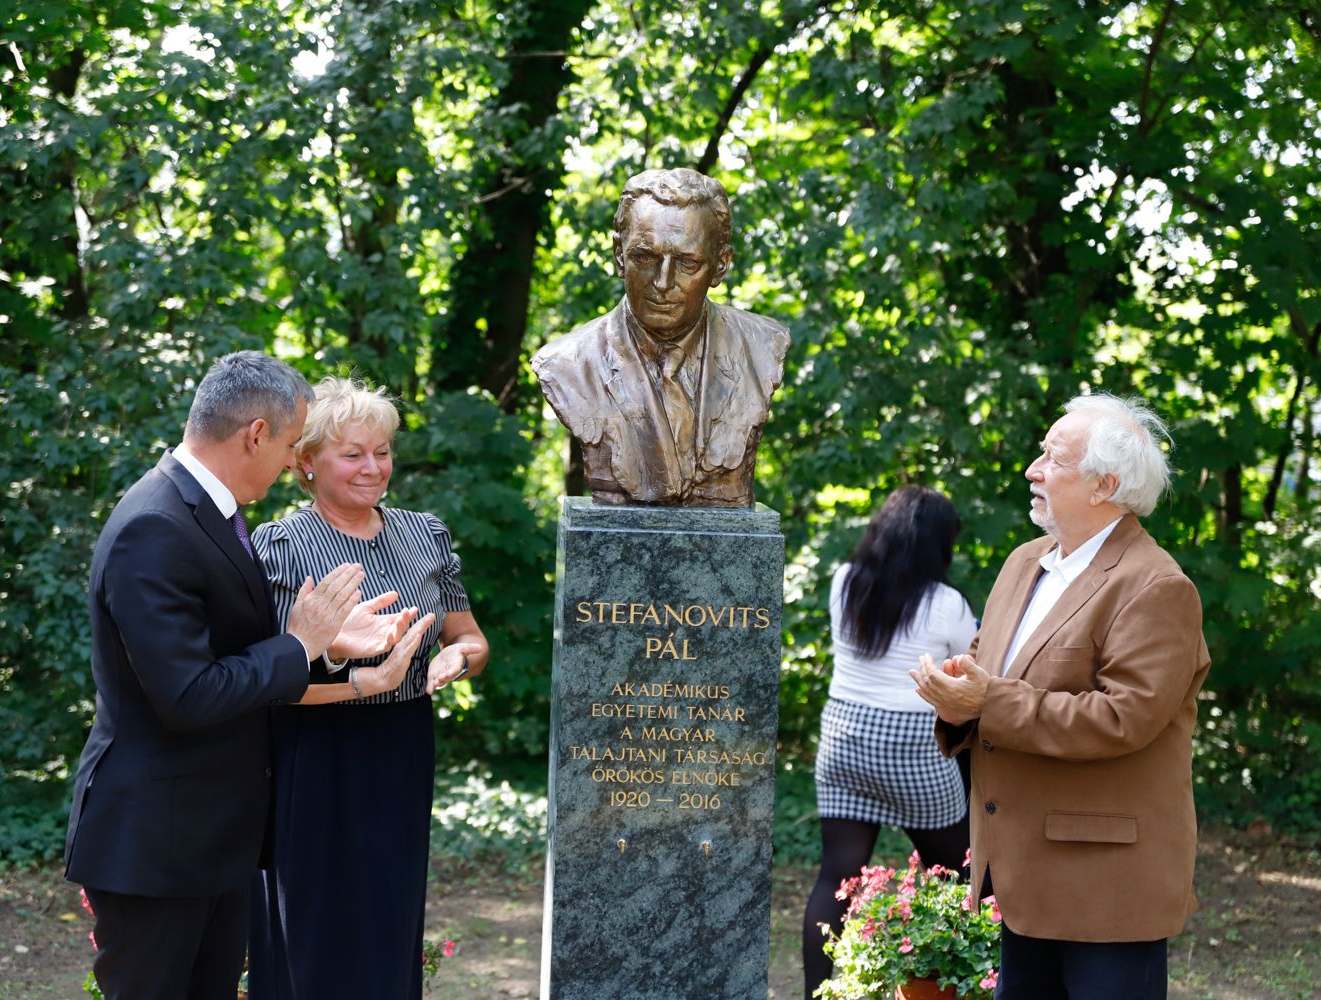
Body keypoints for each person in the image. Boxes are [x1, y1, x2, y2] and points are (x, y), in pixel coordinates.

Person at [65, 351, 430, 999]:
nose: (296, 461)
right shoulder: (154, 525)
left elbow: (236, 651)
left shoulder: (212, 513)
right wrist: (300, 644)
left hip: (214, 836)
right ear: (255, 435)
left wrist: (335, 649)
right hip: (158, 843)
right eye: (293, 443)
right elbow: (188, 694)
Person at [911, 393, 1211, 1000]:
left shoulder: (1156, 585)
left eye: (1053, 457)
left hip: (1106, 889)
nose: (1032, 469)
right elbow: (989, 674)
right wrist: (956, 702)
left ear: (1104, 484)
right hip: (1025, 877)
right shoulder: (1026, 562)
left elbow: (1123, 718)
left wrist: (985, 701)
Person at [247, 376, 489, 1000]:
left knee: (390, 909)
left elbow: (470, 637)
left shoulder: (425, 535)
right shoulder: (278, 546)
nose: (372, 468)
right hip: (314, 747)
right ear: (306, 462)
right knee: (314, 919)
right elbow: (267, 676)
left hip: (402, 744)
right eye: (352, 454)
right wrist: (338, 654)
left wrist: (454, 660)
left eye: (381, 452)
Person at [802, 486, 977, 998]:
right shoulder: (946, 603)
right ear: (937, 545)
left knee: (836, 874)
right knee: (962, 872)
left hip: (844, 736)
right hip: (911, 744)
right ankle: (954, 984)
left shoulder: (845, 581)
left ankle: (818, 993)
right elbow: (973, 666)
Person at [530, 167, 790, 508]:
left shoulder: (762, 346)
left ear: (721, 265)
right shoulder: (568, 364)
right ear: (619, 256)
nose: (663, 282)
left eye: (686, 263)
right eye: (645, 257)